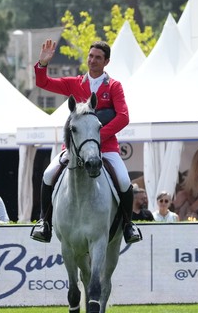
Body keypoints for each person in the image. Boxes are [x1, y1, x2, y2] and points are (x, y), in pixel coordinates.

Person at [29, 39, 141, 244]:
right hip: (74, 149)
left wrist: (98, 137)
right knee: (47, 174)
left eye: (98, 57)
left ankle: (128, 225)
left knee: (125, 181)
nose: (93, 60)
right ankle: (44, 223)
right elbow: (43, 83)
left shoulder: (114, 86)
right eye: (90, 56)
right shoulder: (75, 83)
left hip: (105, 147)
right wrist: (43, 64)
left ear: (106, 61)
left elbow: (123, 117)